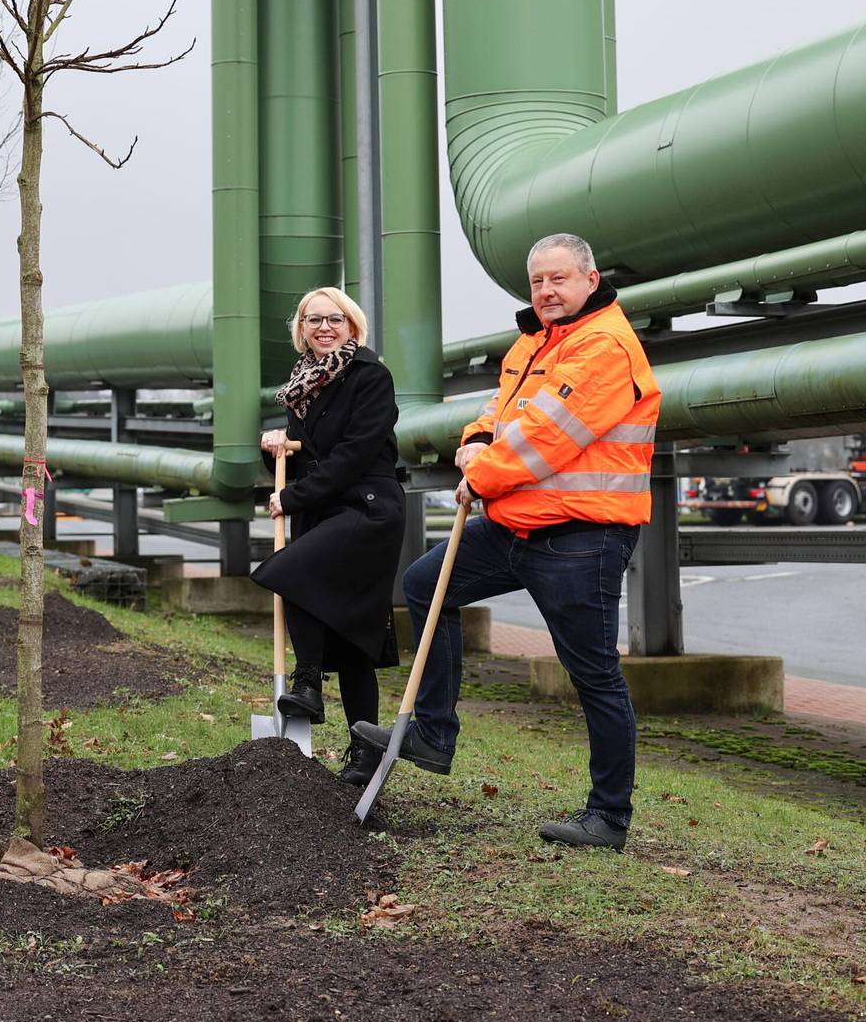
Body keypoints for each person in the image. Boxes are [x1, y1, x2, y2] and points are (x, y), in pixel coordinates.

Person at [354, 233, 660, 849]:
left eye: (559, 279)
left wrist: (479, 470)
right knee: (424, 588)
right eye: (538, 281)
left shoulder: (603, 347)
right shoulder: (535, 342)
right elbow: (500, 412)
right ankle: (434, 734)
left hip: (582, 535)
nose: (546, 291)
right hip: (516, 523)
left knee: (592, 673)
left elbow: (547, 438)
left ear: (590, 279)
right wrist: (474, 439)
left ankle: (608, 816)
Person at [249, 287, 405, 786]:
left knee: (288, 571)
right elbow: (306, 456)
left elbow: (355, 454)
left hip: (367, 509)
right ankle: (366, 756)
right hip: (323, 511)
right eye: (313, 320)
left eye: (334, 319)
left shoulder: (370, 376)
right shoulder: (302, 385)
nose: (324, 327)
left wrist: (293, 499)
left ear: (352, 326)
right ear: (301, 329)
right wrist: (275, 447)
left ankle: (308, 680)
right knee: (352, 638)